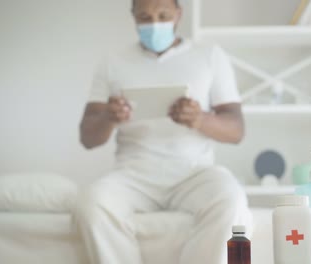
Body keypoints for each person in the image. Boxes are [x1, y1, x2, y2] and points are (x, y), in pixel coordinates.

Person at [73, 0, 252, 263]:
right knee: (90, 203)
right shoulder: (112, 61)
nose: (154, 24)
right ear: (133, 17)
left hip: (194, 173)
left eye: (163, 15)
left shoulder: (209, 55)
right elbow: (87, 138)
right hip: (132, 176)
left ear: (178, 15)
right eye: (144, 17)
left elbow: (236, 130)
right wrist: (109, 119)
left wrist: (200, 119)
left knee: (231, 199)